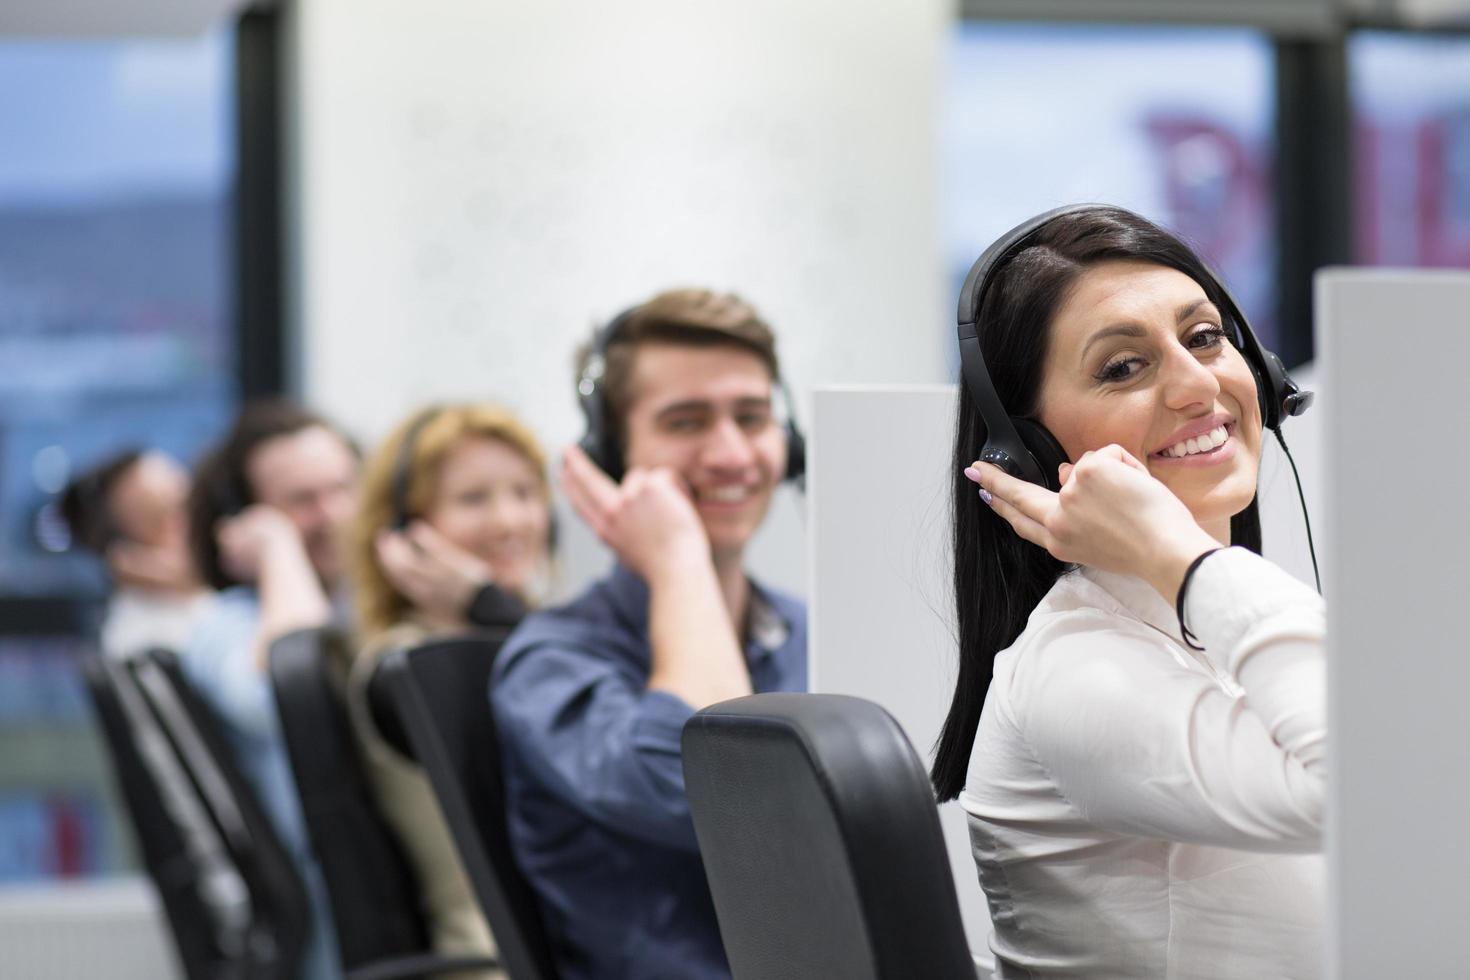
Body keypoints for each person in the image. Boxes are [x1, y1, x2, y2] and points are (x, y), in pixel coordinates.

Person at [932, 205, 1325, 979]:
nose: (1196, 385)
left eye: (1206, 337)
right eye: (1123, 367)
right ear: (1030, 450)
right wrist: (1178, 554)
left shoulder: (1208, 631)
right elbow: (1373, 779)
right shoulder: (1075, 672)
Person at [491, 288, 808, 980]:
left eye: (752, 418)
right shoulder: (550, 663)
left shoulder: (808, 629)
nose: (731, 455)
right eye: (686, 421)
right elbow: (720, 801)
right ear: (611, 456)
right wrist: (676, 560)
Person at [346, 403, 555, 972]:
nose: (510, 520)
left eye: (524, 492)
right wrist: (489, 605)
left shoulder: (523, 640)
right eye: (473, 499)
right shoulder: (404, 667)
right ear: (401, 534)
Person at [182, 399, 360, 980]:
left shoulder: (364, 608)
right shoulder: (222, 625)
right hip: (342, 923)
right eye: (301, 502)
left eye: (343, 488)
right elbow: (285, 697)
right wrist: (279, 551)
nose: (333, 515)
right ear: (245, 518)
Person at [59, 449, 212, 659]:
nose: (200, 521)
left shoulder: (213, 591)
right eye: (168, 516)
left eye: (193, 501)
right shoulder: (142, 642)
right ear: (125, 558)